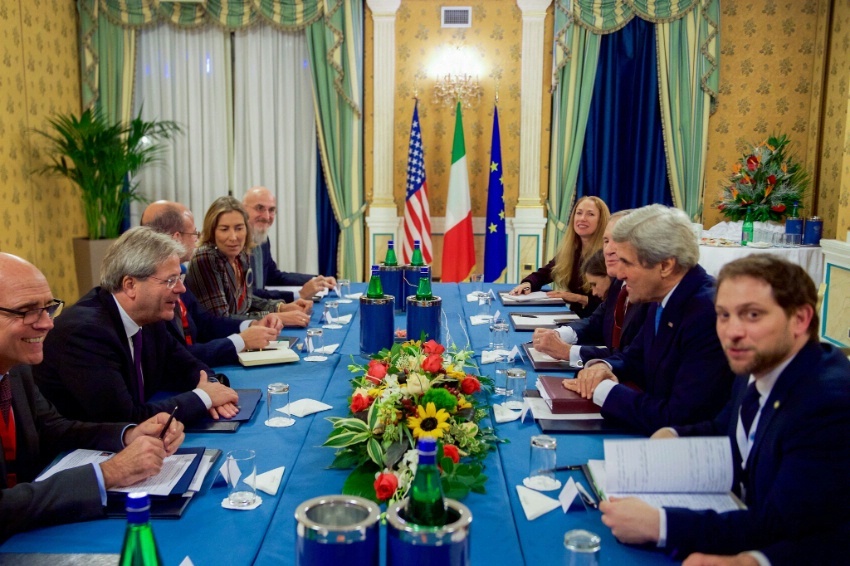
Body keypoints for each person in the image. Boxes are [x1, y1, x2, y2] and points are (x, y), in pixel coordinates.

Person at [598, 255, 850, 562]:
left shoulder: (826, 401)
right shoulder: (756, 365)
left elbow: (782, 523)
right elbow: (726, 428)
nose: (732, 332)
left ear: (800, 319)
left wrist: (662, 524)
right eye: (724, 315)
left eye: (752, 315)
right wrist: (675, 434)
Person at [0, 253, 185, 541]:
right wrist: (108, 473)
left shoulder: (16, 369)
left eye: (48, 308)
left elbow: (55, 430)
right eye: (26, 310)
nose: (47, 324)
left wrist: (130, 435)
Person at [555, 204, 734, 434]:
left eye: (628, 263)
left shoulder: (707, 314)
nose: (619, 274)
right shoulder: (661, 296)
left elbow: (678, 417)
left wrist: (603, 390)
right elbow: (635, 356)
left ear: (665, 265)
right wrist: (603, 366)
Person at [34, 227, 240, 424]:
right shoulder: (85, 333)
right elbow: (125, 418)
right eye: (170, 280)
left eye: (180, 278)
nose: (181, 289)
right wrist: (204, 398)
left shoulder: (150, 317)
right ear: (130, 285)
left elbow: (187, 366)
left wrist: (212, 387)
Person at [140, 201, 282, 366]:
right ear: (176, 238)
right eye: (193, 233)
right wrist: (241, 341)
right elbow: (174, 357)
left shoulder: (179, 272)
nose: (196, 239)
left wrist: (251, 324)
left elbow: (206, 321)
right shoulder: (152, 284)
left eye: (239, 228)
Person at [533, 210, 649, 364]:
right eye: (606, 241)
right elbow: (595, 322)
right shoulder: (618, 284)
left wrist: (568, 352)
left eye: (618, 240)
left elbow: (631, 357)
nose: (608, 250)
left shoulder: (650, 294)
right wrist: (558, 334)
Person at [186, 196, 312, 327]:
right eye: (224, 229)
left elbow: (246, 300)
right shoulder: (206, 258)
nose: (233, 237)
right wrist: (275, 317)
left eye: (239, 228)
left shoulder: (241, 254)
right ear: (212, 231)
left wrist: (279, 307)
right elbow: (220, 320)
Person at [509, 196, 609, 318]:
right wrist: (528, 284)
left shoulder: (606, 255)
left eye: (590, 214)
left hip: (596, 322)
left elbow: (610, 304)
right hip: (573, 318)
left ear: (601, 221)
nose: (582, 218)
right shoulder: (572, 250)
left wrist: (578, 298)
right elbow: (546, 273)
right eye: (579, 213)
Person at [242, 186, 337, 301]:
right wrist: (298, 294)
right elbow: (248, 294)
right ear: (243, 210)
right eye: (260, 208)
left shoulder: (263, 241)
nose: (267, 216)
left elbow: (273, 277)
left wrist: (317, 280)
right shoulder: (235, 244)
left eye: (271, 210)